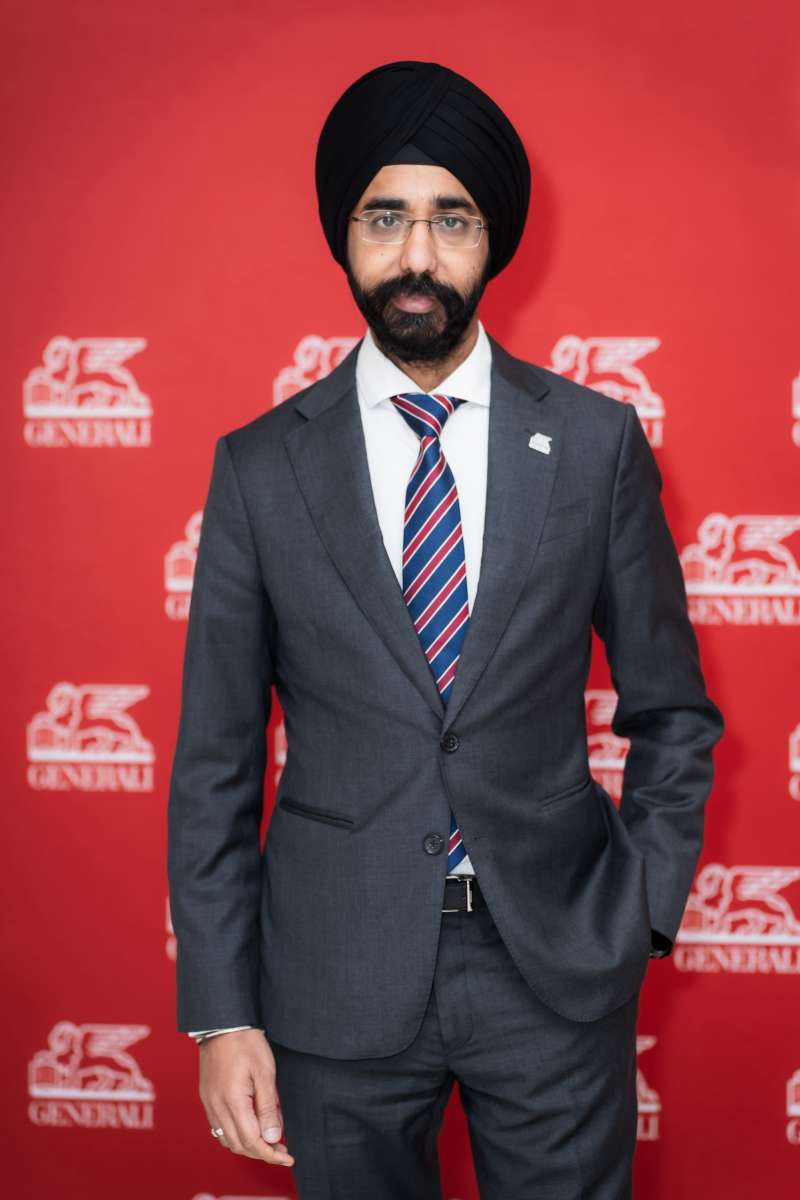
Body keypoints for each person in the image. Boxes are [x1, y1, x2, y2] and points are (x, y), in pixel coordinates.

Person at [167, 59, 724, 1199]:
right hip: (332, 975)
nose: (416, 255)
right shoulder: (260, 468)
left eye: (450, 219)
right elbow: (215, 766)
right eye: (385, 218)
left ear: (491, 239)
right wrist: (222, 1014)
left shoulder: (594, 445)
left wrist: (641, 913)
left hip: (553, 967)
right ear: (344, 235)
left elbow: (672, 712)